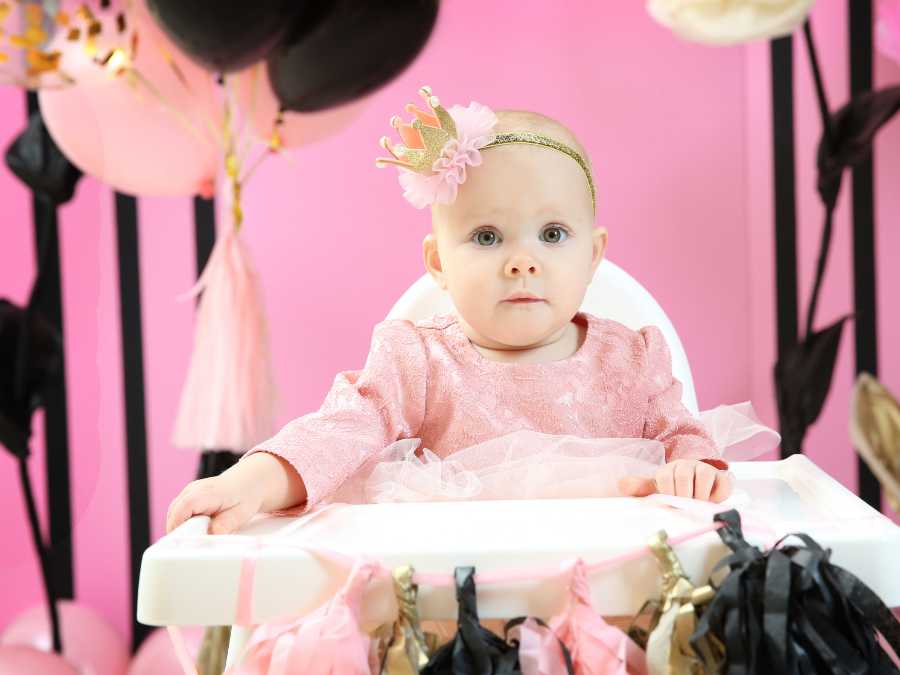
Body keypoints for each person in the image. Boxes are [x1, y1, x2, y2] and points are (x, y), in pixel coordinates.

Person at [167, 86, 744, 537]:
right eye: (488, 236)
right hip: (456, 605)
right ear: (438, 261)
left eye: (552, 233)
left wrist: (691, 470)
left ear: (592, 255)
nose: (523, 261)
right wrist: (254, 479)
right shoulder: (416, 362)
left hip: (611, 591)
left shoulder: (633, 359)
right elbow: (340, 431)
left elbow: (687, 441)